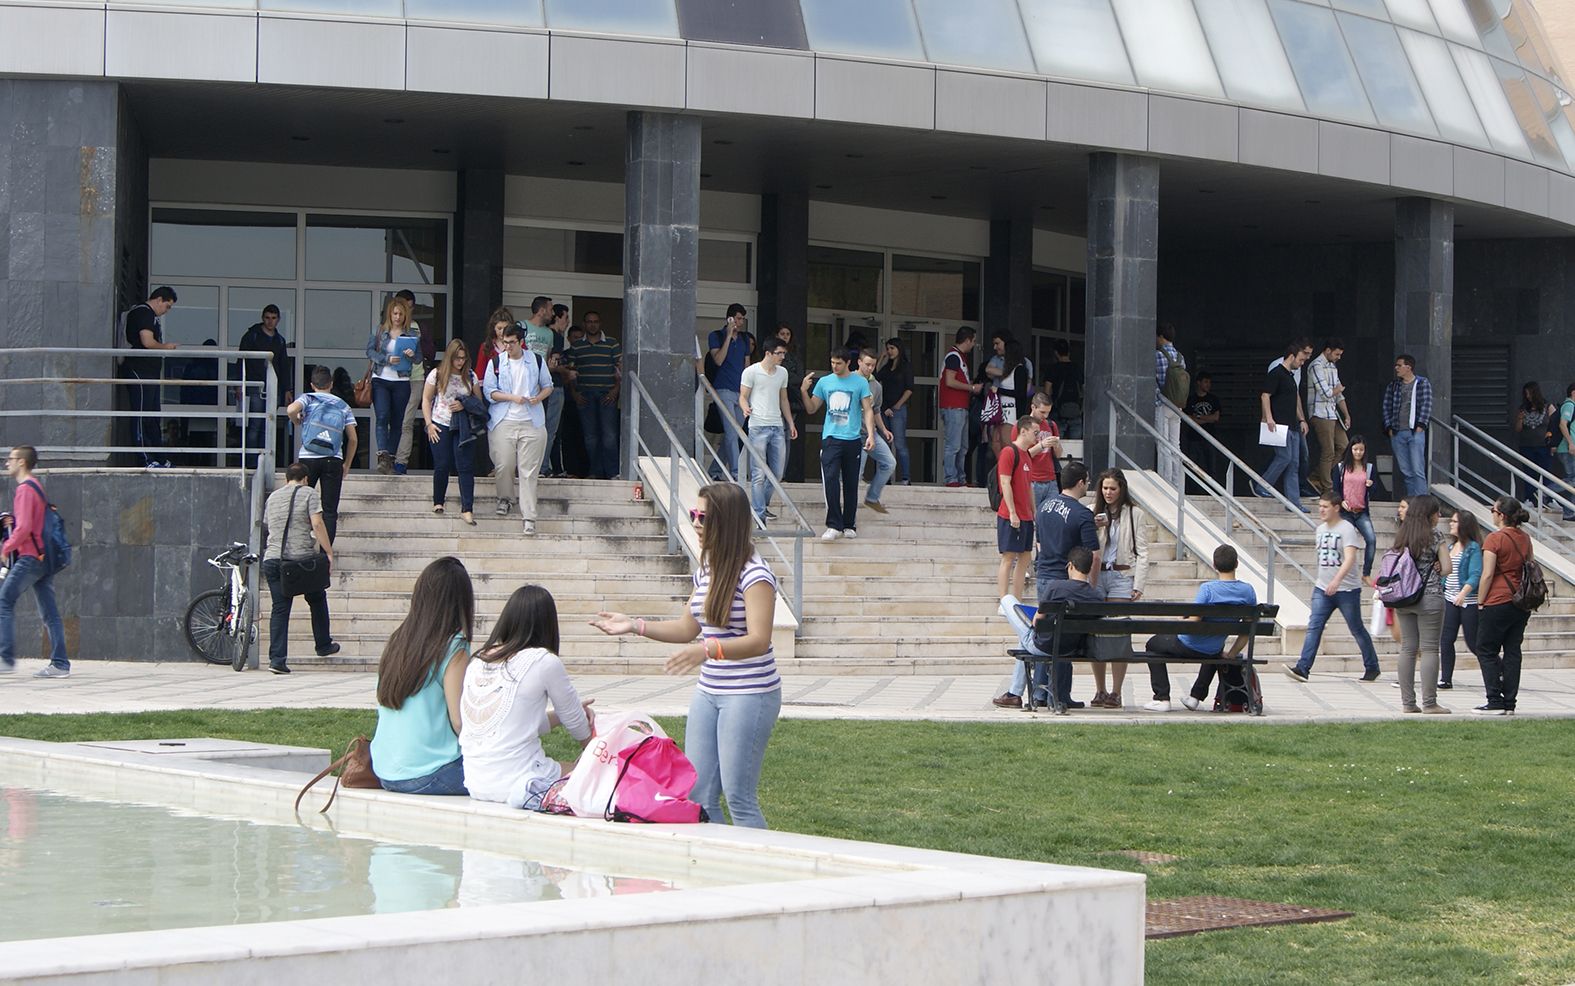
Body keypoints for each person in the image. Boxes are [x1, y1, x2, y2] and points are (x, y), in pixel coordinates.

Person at [591, 483, 782, 828]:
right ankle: (720, 868)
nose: (695, 523)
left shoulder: (756, 575)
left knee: (739, 797)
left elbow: (759, 640)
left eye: (703, 517)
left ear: (726, 523)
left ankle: (759, 869)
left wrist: (708, 650)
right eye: (694, 515)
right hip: (709, 692)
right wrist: (634, 625)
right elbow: (685, 628)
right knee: (698, 795)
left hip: (749, 693)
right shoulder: (706, 571)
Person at [461, 584, 594, 809]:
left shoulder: (478, 661)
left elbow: (513, 724)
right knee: (592, 774)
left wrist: (561, 716)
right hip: (520, 780)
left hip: (476, 783)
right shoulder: (543, 661)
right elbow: (579, 727)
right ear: (548, 624)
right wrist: (600, 754)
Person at [371, 556, 474, 796]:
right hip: (432, 772)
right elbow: (459, 721)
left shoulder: (400, 639)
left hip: (385, 770)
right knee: (513, 775)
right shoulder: (454, 645)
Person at [1141, 546, 1257, 712]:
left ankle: (1162, 697)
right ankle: (1195, 697)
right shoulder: (1248, 591)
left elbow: (1194, 621)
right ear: (1237, 564)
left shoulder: (1208, 589)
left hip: (1186, 645)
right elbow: (1247, 630)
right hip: (1212, 650)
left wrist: (1182, 618)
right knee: (1216, 647)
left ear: (1214, 565)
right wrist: (1231, 655)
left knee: (1152, 644)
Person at [1282, 492, 1382, 685]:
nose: (1321, 510)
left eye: (1326, 506)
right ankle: (1303, 668)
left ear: (1336, 508)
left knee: (1356, 628)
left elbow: (1350, 557)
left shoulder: (1347, 529)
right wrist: (1326, 581)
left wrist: (1337, 580)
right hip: (1322, 587)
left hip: (1347, 589)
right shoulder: (1319, 529)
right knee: (1314, 626)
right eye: (1320, 506)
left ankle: (1372, 666)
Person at [996, 546, 1103, 711]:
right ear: (1089, 568)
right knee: (1022, 642)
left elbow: (1036, 622)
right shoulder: (1096, 597)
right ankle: (1013, 694)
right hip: (1072, 648)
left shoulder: (1056, 587)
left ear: (1071, 566)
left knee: (1008, 600)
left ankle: (1014, 694)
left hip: (1044, 646)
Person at [259, 463, 338, 674]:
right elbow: (317, 523)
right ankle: (323, 644)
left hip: (273, 559)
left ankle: (277, 660)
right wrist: (328, 551)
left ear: (286, 479)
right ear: (305, 479)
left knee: (280, 608)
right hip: (299, 561)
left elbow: (268, 525)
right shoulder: (309, 493)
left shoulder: (273, 497)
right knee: (317, 597)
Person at [0, 447, 70, 678]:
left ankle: (6, 658)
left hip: (30, 557)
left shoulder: (25, 489)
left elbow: (24, 528)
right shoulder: (35, 486)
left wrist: (6, 548)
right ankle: (60, 664)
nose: (7, 462)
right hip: (43, 557)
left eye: (10, 459)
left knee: (4, 601)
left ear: (22, 462)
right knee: (49, 612)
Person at [483, 323, 552, 535]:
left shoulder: (536, 360)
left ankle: (529, 516)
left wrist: (537, 398)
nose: (508, 347)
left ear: (520, 341)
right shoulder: (496, 362)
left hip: (532, 421)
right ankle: (505, 498)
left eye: (511, 343)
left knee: (529, 471)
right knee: (503, 464)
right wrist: (512, 397)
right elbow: (489, 392)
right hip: (503, 419)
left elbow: (548, 385)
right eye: (505, 343)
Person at [800, 348, 875, 540]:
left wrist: (871, 435)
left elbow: (867, 410)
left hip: (852, 439)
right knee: (831, 480)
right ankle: (834, 524)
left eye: (838, 363)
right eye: (832, 362)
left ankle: (849, 524)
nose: (834, 366)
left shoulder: (860, 382)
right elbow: (812, 408)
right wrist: (803, 391)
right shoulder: (825, 382)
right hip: (831, 438)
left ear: (848, 363)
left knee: (851, 483)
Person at [1089, 468, 1148, 709]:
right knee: (1096, 631)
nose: (1109, 492)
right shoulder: (1095, 513)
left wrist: (1139, 583)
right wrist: (1094, 526)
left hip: (1122, 574)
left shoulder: (1135, 514)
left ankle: (1116, 691)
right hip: (1098, 573)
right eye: (1105, 488)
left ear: (1121, 489)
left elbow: (1143, 551)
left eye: (1113, 488)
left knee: (1118, 632)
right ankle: (1100, 689)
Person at [1474, 496, 1534, 715]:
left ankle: (1494, 699)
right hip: (1520, 601)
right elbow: (1529, 566)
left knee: (1485, 649)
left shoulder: (1494, 539)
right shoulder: (1525, 538)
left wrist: (1480, 601)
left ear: (1501, 515)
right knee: (1512, 651)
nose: (1491, 512)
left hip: (1497, 600)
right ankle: (1510, 702)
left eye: (1493, 510)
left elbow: (1487, 574)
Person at [1388, 494, 1447, 713]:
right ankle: (1430, 703)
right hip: (1430, 595)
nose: (1439, 516)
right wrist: (1438, 565)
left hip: (1404, 597)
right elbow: (1448, 568)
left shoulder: (1403, 535)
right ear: (1429, 515)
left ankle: (1408, 703)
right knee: (1430, 649)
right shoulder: (1435, 536)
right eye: (1437, 512)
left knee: (1408, 648)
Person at [286, 366, 357, 542]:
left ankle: (301, 545)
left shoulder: (308, 399)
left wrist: (296, 420)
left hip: (308, 458)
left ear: (312, 384)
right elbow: (353, 439)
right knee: (330, 510)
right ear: (331, 384)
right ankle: (327, 556)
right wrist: (347, 464)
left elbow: (290, 410)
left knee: (302, 504)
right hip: (333, 459)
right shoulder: (343, 405)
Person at [423, 340, 482, 526]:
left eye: (463, 358)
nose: (460, 362)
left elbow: (478, 402)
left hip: (463, 425)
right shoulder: (437, 374)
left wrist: (464, 404)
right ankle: (438, 501)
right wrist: (429, 424)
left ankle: (467, 509)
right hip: (440, 423)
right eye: (457, 358)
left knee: (465, 466)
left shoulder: (471, 376)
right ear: (450, 357)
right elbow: (426, 399)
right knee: (442, 464)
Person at [121, 286, 179, 468]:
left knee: (152, 416)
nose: (166, 311)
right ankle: (145, 458)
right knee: (142, 415)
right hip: (140, 370)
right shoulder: (143, 313)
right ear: (159, 300)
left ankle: (159, 458)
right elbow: (147, 341)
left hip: (149, 372)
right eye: (167, 306)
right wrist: (166, 347)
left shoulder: (149, 315)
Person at [739, 336, 796, 521]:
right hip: (758, 426)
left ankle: (758, 508)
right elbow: (743, 395)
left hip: (777, 426)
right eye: (779, 353)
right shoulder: (751, 371)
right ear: (768, 353)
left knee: (777, 473)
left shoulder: (782, 373)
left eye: (784, 353)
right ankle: (759, 513)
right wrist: (745, 407)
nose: (782, 357)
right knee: (758, 473)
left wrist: (790, 423)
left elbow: (784, 399)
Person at [365, 295, 417, 474]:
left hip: (401, 380)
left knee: (397, 421)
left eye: (401, 314)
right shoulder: (380, 331)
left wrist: (411, 355)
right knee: (382, 415)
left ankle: (391, 457)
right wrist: (386, 359)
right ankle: (382, 455)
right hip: (381, 378)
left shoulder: (411, 334)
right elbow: (369, 351)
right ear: (390, 314)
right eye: (395, 313)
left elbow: (418, 359)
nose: (397, 317)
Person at [236, 304, 294, 460]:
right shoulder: (251, 336)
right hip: (255, 387)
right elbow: (241, 361)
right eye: (267, 318)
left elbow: (284, 366)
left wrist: (287, 390)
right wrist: (239, 385)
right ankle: (251, 462)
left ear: (278, 320)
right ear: (263, 318)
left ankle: (265, 461)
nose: (270, 321)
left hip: (273, 388)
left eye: (273, 318)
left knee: (268, 426)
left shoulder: (280, 341)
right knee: (255, 425)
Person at [570, 310, 622, 480]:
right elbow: (571, 372)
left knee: (610, 436)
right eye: (589, 321)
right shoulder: (577, 346)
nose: (592, 324)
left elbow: (620, 369)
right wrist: (575, 394)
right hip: (585, 396)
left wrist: (616, 390)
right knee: (590, 438)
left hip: (607, 395)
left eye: (595, 321)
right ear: (584, 324)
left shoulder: (612, 344)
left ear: (600, 323)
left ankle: (613, 473)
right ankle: (595, 471)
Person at [1258, 339, 1310, 507]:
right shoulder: (1276, 373)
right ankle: (1262, 484)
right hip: (1280, 425)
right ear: (1291, 357)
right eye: (1300, 359)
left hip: (1293, 425)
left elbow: (1294, 400)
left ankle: (1294, 502)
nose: (1302, 363)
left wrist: (1301, 420)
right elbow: (1265, 395)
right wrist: (1269, 417)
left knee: (1294, 463)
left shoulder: (1290, 376)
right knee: (1284, 457)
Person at [391, 290, 437, 476]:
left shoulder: (419, 327)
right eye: (400, 308)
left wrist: (416, 346)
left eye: (408, 308)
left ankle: (401, 461)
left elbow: (429, 352)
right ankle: (388, 457)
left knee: (407, 421)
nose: (403, 313)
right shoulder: (387, 329)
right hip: (393, 378)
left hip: (416, 377)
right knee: (392, 419)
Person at [996, 415, 1039, 604]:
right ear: (1023, 431)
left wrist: (1033, 511)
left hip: (1026, 515)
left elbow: (1028, 486)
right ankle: (1004, 599)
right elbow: (1005, 482)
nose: (1037, 437)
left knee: (1025, 557)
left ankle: (1017, 599)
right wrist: (1013, 512)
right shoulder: (1009, 451)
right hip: (1010, 513)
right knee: (1008, 556)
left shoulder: (1027, 455)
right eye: (1035, 432)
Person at [706, 303, 751, 480]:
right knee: (732, 432)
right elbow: (718, 360)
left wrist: (747, 390)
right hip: (723, 388)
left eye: (742, 319)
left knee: (735, 434)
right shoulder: (716, 336)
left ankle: (715, 470)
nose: (740, 323)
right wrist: (728, 337)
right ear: (730, 318)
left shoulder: (745, 339)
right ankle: (735, 473)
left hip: (740, 390)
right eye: (738, 318)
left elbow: (746, 365)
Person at [1440, 510, 1483, 693]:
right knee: (1446, 640)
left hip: (1467, 601)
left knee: (1473, 641)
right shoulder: (1451, 547)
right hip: (1449, 599)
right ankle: (1446, 679)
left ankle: (1498, 668)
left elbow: (1475, 574)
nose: (1451, 524)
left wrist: (1463, 593)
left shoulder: (1472, 548)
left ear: (1464, 525)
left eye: (1455, 521)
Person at [1333, 434, 1383, 583]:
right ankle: (1341, 571)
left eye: (1361, 450)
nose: (1358, 453)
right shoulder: (1341, 467)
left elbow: (1376, 490)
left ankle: (1366, 573)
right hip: (1346, 512)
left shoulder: (1369, 468)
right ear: (1351, 449)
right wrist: (1340, 501)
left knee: (1371, 540)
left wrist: (1371, 485)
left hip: (1361, 512)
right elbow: (1335, 488)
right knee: (1344, 542)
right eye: (1355, 449)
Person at [1382, 354, 1432, 497]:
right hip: (1397, 432)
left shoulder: (1422, 383)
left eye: (1399, 365)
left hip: (1414, 432)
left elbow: (1426, 405)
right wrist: (1389, 427)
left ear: (1408, 367)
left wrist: (1420, 426)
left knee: (1417, 469)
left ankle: (1422, 502)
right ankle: (1411, 501)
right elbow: (1386, 406)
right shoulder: (1394, 385)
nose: (1396, 368)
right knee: (1406, 471)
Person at [940, 327, 983, 487]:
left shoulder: (958, 357)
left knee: (963, 446)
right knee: (954, 445)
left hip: (960, 406)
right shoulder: (954, 357)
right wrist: (972, 388)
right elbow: (949, 381)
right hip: (953, 406)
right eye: (973, 341)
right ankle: (951, 478)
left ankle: (960, 478)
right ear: (967, 340)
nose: (973, 344)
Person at [1307, 339, 1350, 497]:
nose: (1338, 357)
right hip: (1320, 413)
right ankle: (1327, 488)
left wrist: (1346, 414)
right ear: (1328, 350)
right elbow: (1326, 392)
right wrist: (1337, 390)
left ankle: (1317, 477)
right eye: (1337, 354)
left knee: (1344, 446)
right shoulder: (1316, 365)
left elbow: (1339, 395)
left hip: (1333, 413)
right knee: (1328, 451)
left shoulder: (1333, 366)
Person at [856, 350, 897, 515]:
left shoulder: (876, 386)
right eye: (867, 364)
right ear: (859, 362)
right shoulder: (849, 379)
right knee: (855, 473)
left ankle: (872, 498)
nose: (870, 368)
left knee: (889, 463)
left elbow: (876, 410)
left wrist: (884, 429)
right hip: (853, 434)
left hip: (870, 434)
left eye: (873, 365)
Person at [875, 338, 914, 485]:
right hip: (884, 409)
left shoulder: (906, 367)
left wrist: (897, 405)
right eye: (888, 348)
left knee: (899, 443)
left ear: (899, 349)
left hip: (898, 409)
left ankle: (905, 477)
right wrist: (881, 358)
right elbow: (875, 377)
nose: (890, 351)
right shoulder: (887, 367)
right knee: (883, 444)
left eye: (892, 348)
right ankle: (884, 477)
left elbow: (909, 388)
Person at [1512, 382, 1558, 507]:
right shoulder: (1523, 408)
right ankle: (1530, 498)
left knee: (1546, 472)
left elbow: (1555, 424)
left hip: (1544, 445)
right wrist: (1520, 419)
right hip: (1527, 445)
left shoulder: (1548, 406)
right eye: (1525, 394)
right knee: (1529, 473)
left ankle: (1549, 499)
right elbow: (1518, 429)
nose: (1528, 396)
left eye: (1529, 393)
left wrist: (1553, 443)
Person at [1155, 323, 1186, 489]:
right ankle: (1176, 483)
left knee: (1163, 443)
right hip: (1178, 406)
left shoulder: (1157, 355)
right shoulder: (1180, 357)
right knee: (1176, 444)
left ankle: (1165, 481)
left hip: (1162, 403)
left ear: (1160, 337)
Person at [1019, 392, 1061, 512]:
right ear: (1033, 407)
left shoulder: (1051, 425)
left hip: (1051, 479)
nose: (1045, 416)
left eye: (1048, 412)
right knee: (1032, 517)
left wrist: (1056, 444)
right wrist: (1041, 445)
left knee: (1052, 518)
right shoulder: (1021, 427)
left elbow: (1058, 455)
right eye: (1042, 412)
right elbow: (1021, 455)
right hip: (1032, 480)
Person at [1182, 371, 1222, 485]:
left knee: (1211, 467)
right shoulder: (1191, 399)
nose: (1208, 385)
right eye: (1205, 382)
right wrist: (1205, 419)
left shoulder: (1213, 399)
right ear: (1198, 383)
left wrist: (1198, 417)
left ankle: (1212, 490)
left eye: (1209, 382)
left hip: (1210, 437)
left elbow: (1215, 417)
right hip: (1193, 438)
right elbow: (1187, 418)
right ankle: (1191, 490)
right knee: (1193, 466)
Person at [1044, 340, 1083, 440]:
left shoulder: (1053, 368)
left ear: (1056, 353)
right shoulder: (1077, 368)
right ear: (1069, 352)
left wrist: (1048, 406)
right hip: (1075, 410)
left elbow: (1047, 390)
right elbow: (1084, 389)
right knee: (1076, 446)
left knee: (1057, 444)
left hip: (1058, 411)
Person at [1554, 382, 1575, 522]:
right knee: (1571, 478)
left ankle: (1570, 511)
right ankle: (1545, 492)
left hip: (1570, 448)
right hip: (1567, 449)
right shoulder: (1569, 405)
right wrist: (1571, 443)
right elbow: (1563, 424)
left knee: (1573, 480)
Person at [474, 306, 515, 374]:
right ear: (493, 328)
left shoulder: (518, 344)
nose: (502, 332)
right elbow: (480, 374)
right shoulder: (486, 347)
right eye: (499, 328)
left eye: (506, 328)